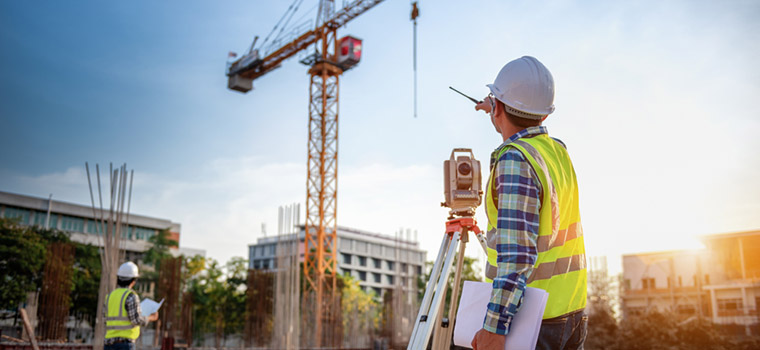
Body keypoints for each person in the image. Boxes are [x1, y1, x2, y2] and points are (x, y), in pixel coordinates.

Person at [470, 56, 587, 350]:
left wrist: (494, 328)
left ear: (497, 108)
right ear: (545, 115)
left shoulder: (515, 160)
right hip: (571, 312)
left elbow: (517, 255)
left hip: (532, 322)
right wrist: (496, 106)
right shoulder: (557, 152)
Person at [104, 262, 159, 350]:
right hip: (124, 344)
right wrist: (150, 317)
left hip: (108, 343)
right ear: (134, 281)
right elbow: (136, 320)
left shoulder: (109, 296)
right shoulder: (131, 296)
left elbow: (105, 319)